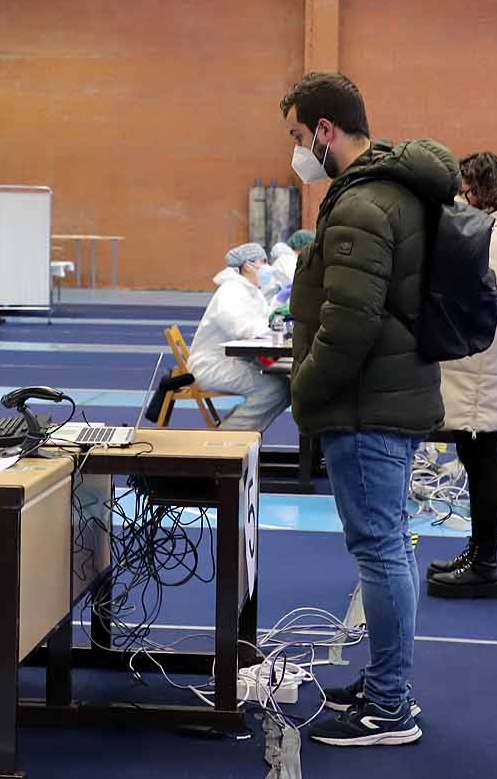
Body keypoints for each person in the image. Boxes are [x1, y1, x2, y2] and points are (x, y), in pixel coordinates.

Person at [280, 71, 455, 748]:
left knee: (380, 550)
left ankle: (389, 708)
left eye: (298, 135)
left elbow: (348, 323)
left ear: (326, 129)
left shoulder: (360, 203)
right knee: (388, 547)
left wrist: (304, 390)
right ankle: (388, 684)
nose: (297, 150)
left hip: (366, 405)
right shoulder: (392, 191)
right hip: (392, 393)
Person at [427, 153, 497, 599]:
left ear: (477, 191)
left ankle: (485, 563)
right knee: (478, 459)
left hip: (482, 367)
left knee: (481, 458)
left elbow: (480, 298)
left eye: (462, 190)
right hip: (482, 364)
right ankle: (478, 553)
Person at [186, 242, 291, 432]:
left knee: (286, 385)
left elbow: (264, 318)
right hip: (213, 365)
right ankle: (228, 439)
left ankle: (239, 427)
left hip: (234, 360)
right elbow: (241, 328)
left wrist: (278, 302)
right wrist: (275, 325)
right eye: (263, 261)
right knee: (274, 389)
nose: (267, 266)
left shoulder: (251, 291)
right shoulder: (231, 291)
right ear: (247, 265)